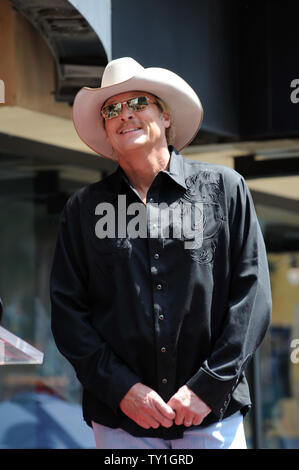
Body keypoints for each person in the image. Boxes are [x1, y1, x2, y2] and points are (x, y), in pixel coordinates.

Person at [50, 57, 272, 449]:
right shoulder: (82, 209)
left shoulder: (225, 189)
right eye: (112, 109)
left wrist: (209, 385)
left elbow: (251, 298)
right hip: (120, 424)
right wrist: (122, 389)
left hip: (212, 417)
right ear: (106, 127)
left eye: (138, 103)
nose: (125, 115)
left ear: (166, 117)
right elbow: (69, 314)